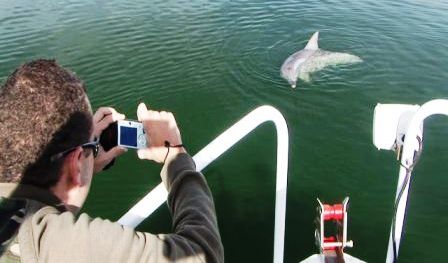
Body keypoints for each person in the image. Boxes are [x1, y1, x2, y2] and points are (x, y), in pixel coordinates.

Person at [0, 59, 224, 263]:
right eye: (90, 147)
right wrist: (176, 156)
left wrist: (85, 160)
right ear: (74, 163)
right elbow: (203, 253)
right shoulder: (50, 241)